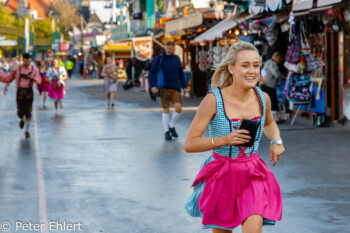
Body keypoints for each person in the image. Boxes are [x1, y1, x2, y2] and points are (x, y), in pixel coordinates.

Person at [184, 42, 285, 233]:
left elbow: (269, 123)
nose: (252, 71)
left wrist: (276, 140)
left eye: (256, 66)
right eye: (245, 65)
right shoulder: (213, 100)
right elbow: (190, 144)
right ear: (231, 68)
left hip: (253, 173)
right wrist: (224, 140)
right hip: (222, 175)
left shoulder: (263, 98)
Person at [149, 41, 187, 141]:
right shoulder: (160, 58)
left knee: (178, 108)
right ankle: (166, 132)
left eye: (171, 48)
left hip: (175, 87)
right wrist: (152, 85)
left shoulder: (177, 59)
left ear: (173, 49)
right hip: (164, 88)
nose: (169, 50)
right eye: (167, 48)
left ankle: (171, 125)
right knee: (166, 109)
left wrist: (184, 86)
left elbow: (181, 73)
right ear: (165, 47)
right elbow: (152, 72)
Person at [0, 53, 41, 138]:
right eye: (25, 61)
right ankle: (21, 118)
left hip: (29, 91)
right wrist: (6, 86)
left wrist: (33, 77)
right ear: (23, 60)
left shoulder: (34, 69)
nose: (26, 63)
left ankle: (27, 130)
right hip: (20, 91)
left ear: (30, 60)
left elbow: (39, 81)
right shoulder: (17, 68)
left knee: (28, 111)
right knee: (20, 112)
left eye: (28, 61)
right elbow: (9, 78)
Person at [261, 52, 284, 123]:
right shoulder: (273, 63)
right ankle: (276, 119)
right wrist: (282, 76)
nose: (280, 61)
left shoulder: (268, 62)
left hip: (264, 84)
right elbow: (276, 74)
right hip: (270, 85)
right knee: (273, 101)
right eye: (280, 59)